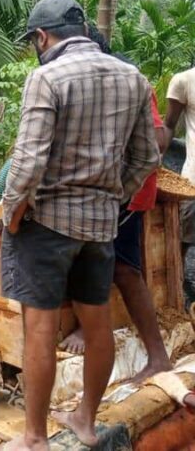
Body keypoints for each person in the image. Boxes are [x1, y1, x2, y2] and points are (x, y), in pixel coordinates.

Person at [1, 0, 159, 450]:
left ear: (42, 37)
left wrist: (12, 213)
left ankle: (33, 439)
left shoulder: (46, 77)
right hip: (100, 225)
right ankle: (86, 421)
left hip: (47, 222)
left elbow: (28, 161)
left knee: (41, 327)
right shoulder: (132, 78)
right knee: (97, 323)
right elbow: (147, 156)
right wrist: (115, 193)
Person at [59, 24, 172, 383]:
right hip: (111, 190)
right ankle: (146, 352)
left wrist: (117, 183)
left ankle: (148, 354)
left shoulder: (126, 80)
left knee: (112, 264)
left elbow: (157, 140)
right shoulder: (101, 80)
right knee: (113, 262)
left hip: (125, 191)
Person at [163, 66, 195, 302]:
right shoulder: (184, 81)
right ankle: (178, 295)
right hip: (193, 181)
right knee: (181, 238)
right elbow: (168, 126)